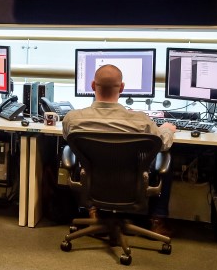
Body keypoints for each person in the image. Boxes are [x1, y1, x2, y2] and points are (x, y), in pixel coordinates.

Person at [62, 64, 176, 236]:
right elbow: (163, 144)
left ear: (93, 86)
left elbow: (67, 138)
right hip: (131, 184)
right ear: (122, 88)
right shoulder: (140, 121)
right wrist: (167, 129)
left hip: (93, 183)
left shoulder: (73, 119)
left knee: (73, 154)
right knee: (166, 157)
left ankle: (92, 209)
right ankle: (157, 219)